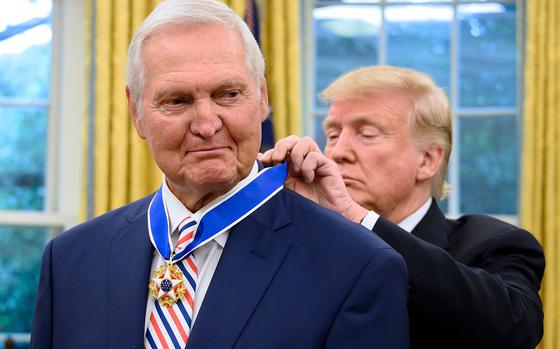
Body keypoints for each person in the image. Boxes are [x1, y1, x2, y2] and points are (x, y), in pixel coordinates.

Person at [29, 2, 410, 349]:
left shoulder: (356, 265)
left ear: (262, 97)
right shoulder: (70, 261)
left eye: (228, 94)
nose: (207, 125)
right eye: (176, 101)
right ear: (136, 112)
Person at [261, 65, 545, 349]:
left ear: (427, 161)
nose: (337, 152)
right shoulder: (301, 249)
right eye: (333, 135)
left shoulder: (494, 244)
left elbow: (514, 332)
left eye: (367, 134)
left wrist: (356, 216)